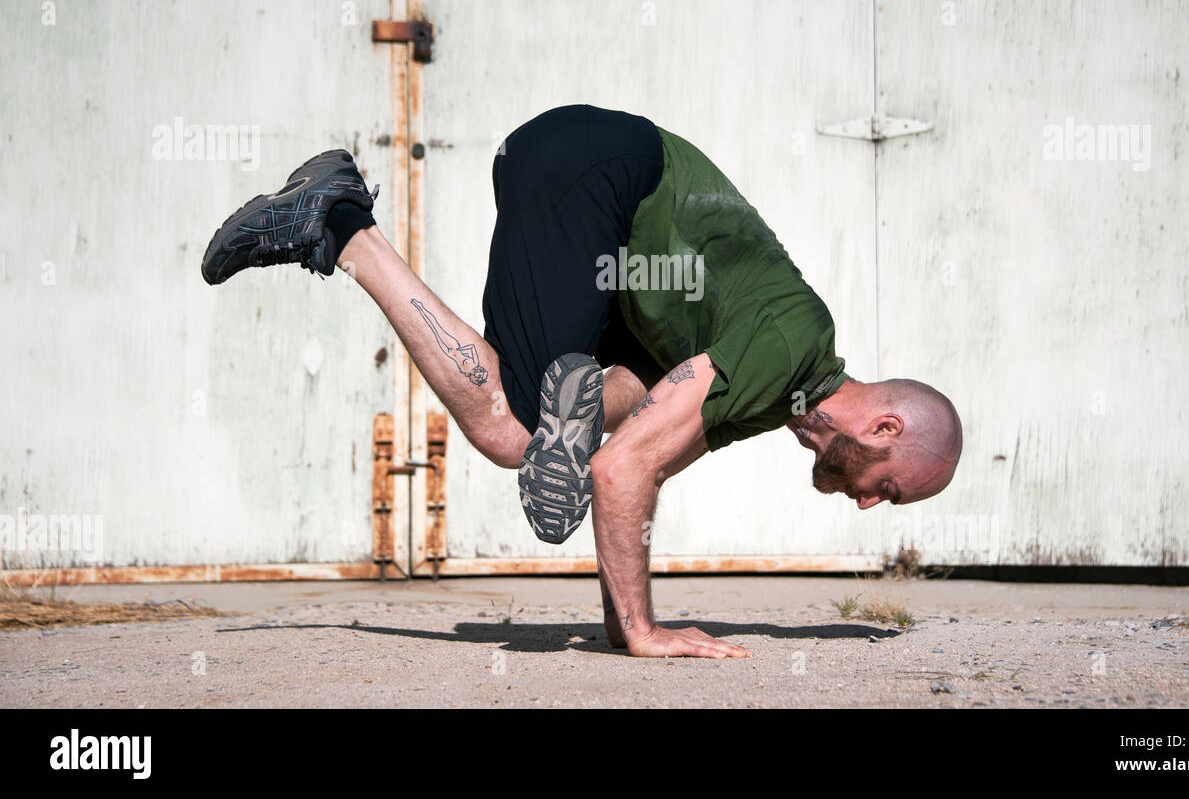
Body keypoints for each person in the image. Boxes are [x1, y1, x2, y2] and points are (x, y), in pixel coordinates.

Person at [201, 104, 963, 658]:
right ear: (884, 429)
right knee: (511, 427)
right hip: (596, 177)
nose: (868, 502)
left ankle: (574, 387)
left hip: (591, 183)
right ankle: (340, 225)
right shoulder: (788, 345)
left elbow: (637, 463)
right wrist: (641, 631)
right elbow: (622, 468)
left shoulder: (781, 385)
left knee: (581, 415)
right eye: (887, 488)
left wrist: (614, 615)